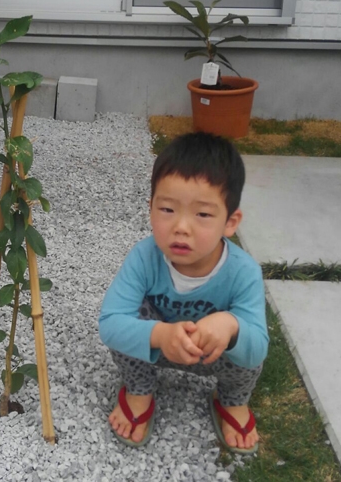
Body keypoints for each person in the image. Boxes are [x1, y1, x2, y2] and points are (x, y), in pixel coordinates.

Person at [99, 132, 268, 454]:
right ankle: (139, 388)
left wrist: (231, 327)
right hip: (158, 347)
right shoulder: (144, 257)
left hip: (216, 356)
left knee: (247, 337)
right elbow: (109, 323)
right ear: (150, 208)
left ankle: (232, 400)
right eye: (167, 209)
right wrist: (160, 334)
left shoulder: (243, 271)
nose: (181, 227)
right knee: (129, 321)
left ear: (230, 221)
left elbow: (258, 349)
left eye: (203, 214)